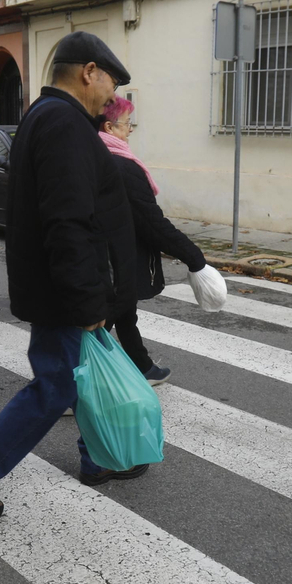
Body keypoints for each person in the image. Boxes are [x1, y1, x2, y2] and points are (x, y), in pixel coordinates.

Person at [0, 32, 145, 520]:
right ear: (87, 71)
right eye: (110, 83)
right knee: (55, 387)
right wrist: (89, 302)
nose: (113, 98)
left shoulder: (46, 115)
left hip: (61, 288)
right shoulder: (63, 123)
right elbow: (68, 221)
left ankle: (95, 461)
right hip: (64, 293)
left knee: (74, 380)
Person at [97, 94, 207, 384]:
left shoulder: (95, 157)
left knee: (124, 312)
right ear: (109, 128)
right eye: (126, 124)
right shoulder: (122, 168)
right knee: (100, 324)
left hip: (109, 257)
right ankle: (65, 389)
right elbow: (152, 224)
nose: (130, 129)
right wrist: (194, 258)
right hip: (115, 259)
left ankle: (142, 366)